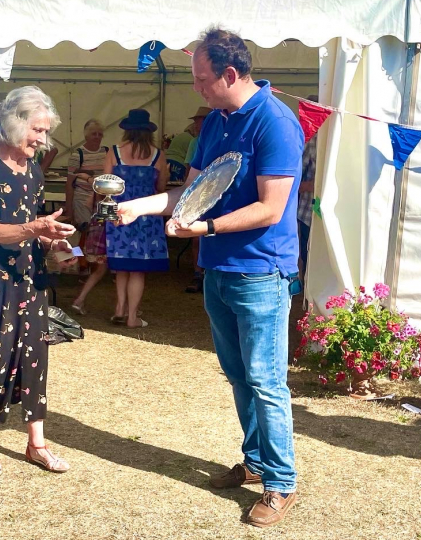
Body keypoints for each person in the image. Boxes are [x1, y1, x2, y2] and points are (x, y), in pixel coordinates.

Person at [115, 28, 303, 527]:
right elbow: (191, 192)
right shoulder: (215, 123)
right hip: (219, 269)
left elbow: (271, 207)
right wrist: (139, 207)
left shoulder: (276, 123)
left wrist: (207, 227)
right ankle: (256, 460)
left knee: (266, 380)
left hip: (263, 271)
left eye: (202, 80)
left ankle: (280, 483)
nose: (196, 88)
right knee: (240, 375)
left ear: (230, 74)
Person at [0, 86, 77, 479]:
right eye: (37, 130)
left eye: (45, 132)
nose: (42, 140)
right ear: (12, 123)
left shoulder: (34, 170)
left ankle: (36, 443)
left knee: (34, 355)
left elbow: (32, 225)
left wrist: (52, 239)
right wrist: (34, 227)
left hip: (30, 275)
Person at [105, 109, 169, 328]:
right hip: (145, 214)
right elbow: (161, 188)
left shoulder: (114, 152)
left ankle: (119, 309)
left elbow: (105, 185)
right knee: (138, 268)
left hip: (119, 211)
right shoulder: (158, 155)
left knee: (122, 265)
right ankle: (132, 316)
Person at [68, 120, 110, 313]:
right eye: (94, 133)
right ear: (86, 135)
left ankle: (88, 265)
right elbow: (70, 181)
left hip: (101, 200)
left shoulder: (107, 151)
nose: (97, 137)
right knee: (82, 234)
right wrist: (69, 207)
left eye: (100, 133)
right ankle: (81, 264)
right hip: (82, 199)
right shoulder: (78, 154)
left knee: (94, 236)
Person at [181, 106, 213, 293]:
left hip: (212, 195)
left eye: (199, 120)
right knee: (196, 239)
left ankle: (207, 273)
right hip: (198, 195)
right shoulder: (195, 142)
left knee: (209, 234)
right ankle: (197, 274)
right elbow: (189, 170)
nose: (196, 124)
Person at [297, 96, 318, 274]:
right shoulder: (309, 139)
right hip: (309, 208)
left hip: (311, 208)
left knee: (311, 253)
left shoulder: (312, 138)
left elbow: (296, 173)